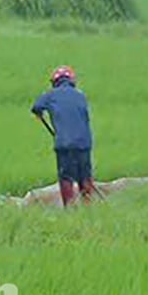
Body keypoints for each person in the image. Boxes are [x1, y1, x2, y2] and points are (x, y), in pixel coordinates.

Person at [30, 65, 97, 206]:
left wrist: (40, 114)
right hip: (84, 143)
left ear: (55, 82)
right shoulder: (81, 95)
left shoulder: (50, 95)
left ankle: (69, 208)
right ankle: (88, 205)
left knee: (66, 176)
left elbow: (36, 107)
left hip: (64, 143)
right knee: (85, 175)